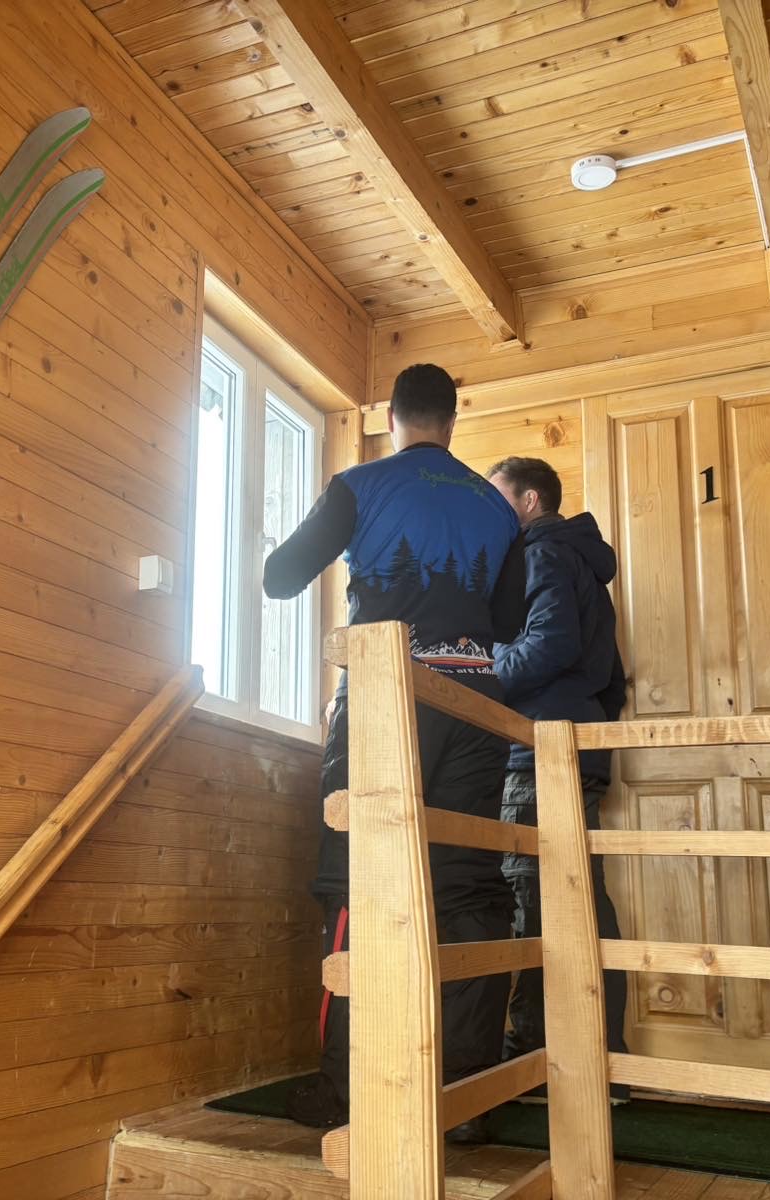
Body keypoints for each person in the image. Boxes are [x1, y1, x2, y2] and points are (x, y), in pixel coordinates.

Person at [263, 364, 525, 1135]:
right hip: (474, 704)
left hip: (386, 700)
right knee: (468, 889)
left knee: (354, 881)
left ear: (390, 417)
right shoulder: (495, 505)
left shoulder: (360, 485)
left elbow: (280, 578)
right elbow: (509, 624)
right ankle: (467, 1099)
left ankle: (347, 1093)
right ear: (452, 419)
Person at [485, 456, 630, 1094]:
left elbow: (550, 644)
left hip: (537, 749)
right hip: (575, 746)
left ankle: (538, 1056)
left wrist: (482, 677)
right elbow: (611, 679)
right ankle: (604, 1062)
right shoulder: (579, 559)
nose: (492, 514)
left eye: (499, 499)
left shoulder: (541, 553)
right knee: (582, 902)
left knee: (535, 900)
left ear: (530, 501)